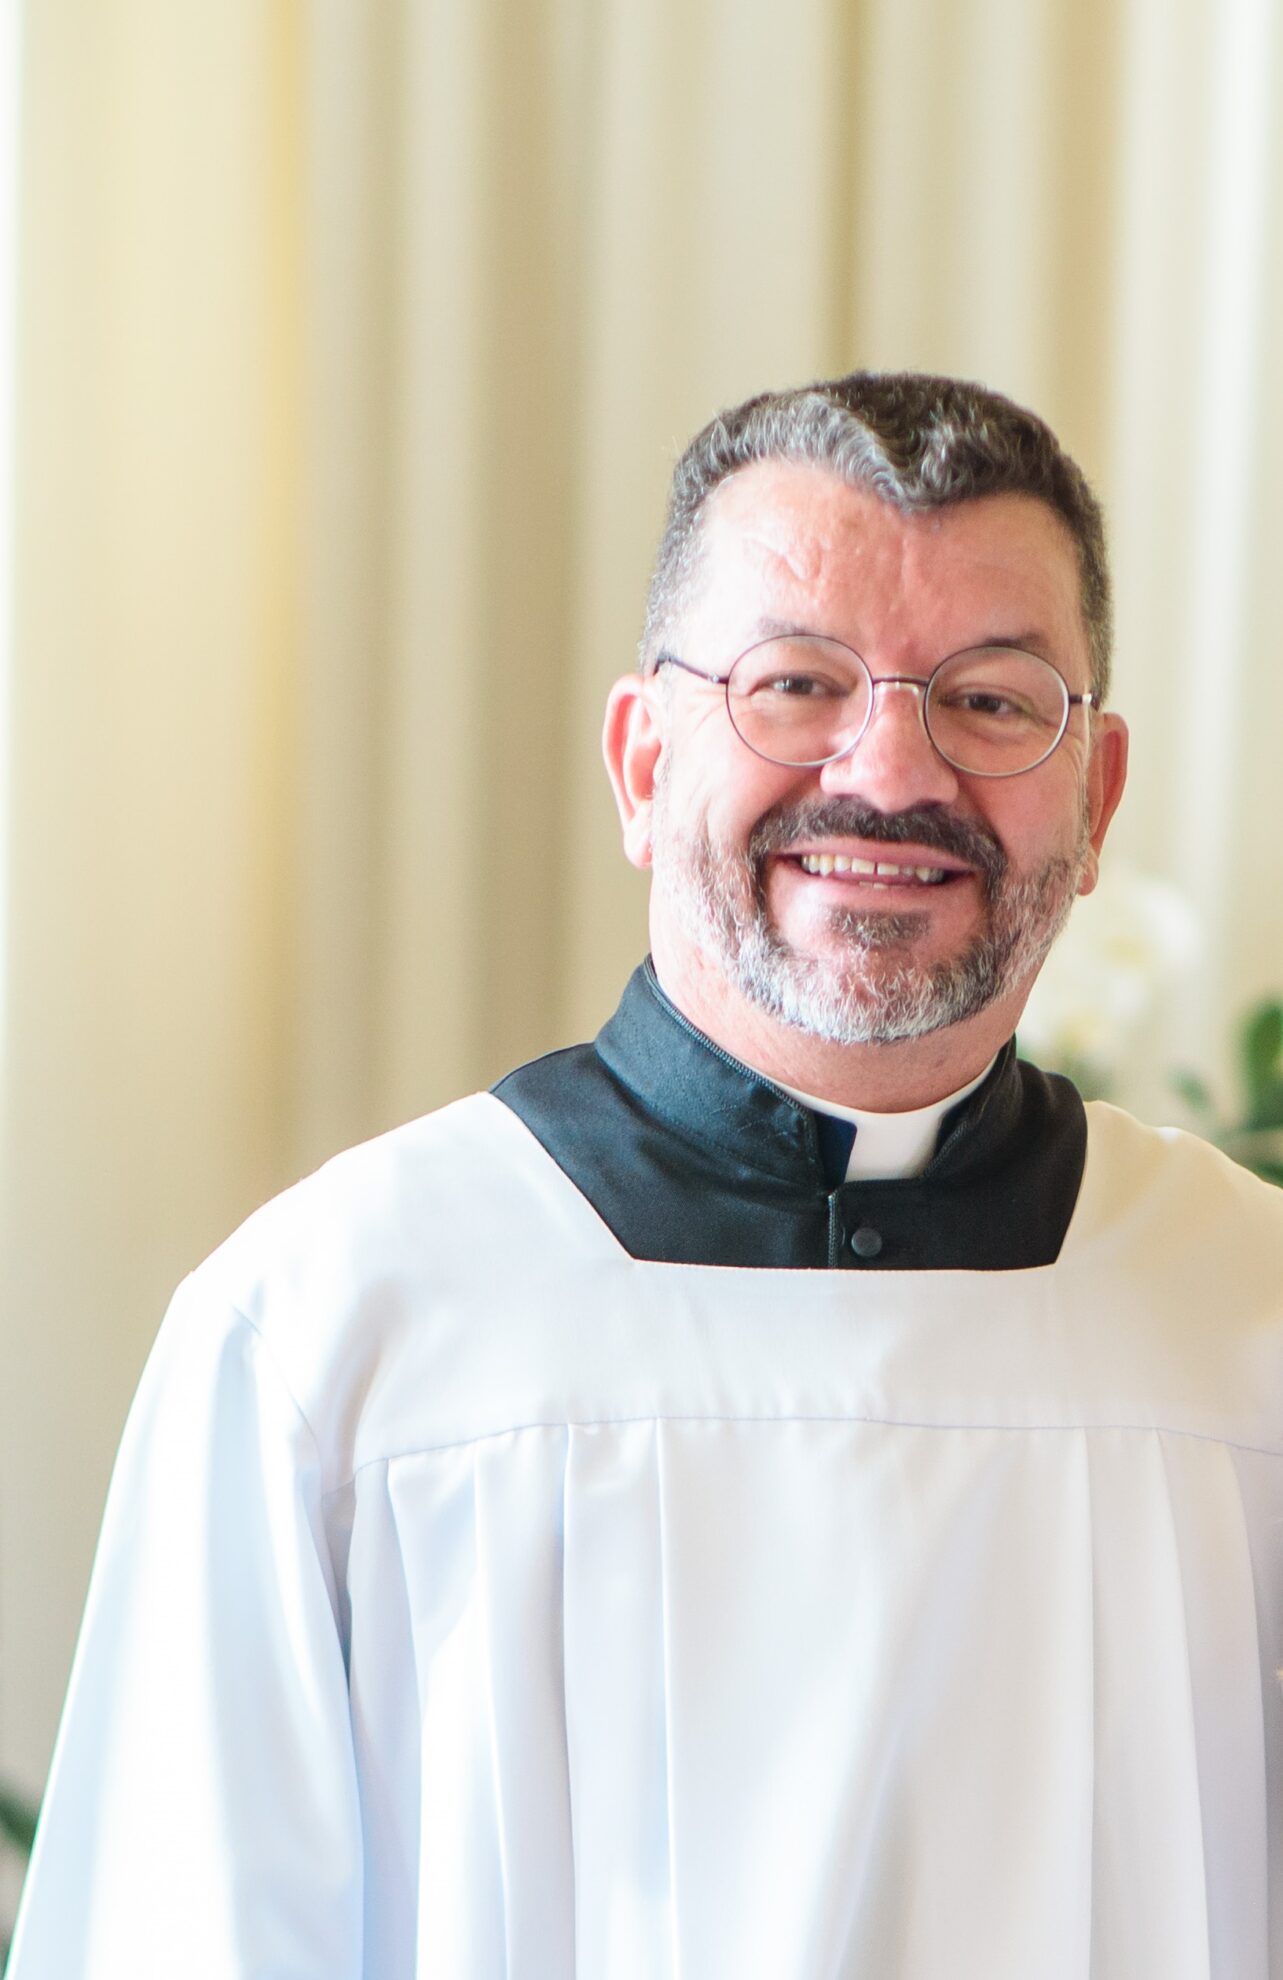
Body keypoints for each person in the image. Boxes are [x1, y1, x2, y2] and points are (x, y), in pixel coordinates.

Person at [11, 372, 1283, 1979]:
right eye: (798, 682)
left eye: (993, 699)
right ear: (640, 760)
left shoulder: (1253, 1324)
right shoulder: (331, 1332)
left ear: (1092, 800)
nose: (890, 773)